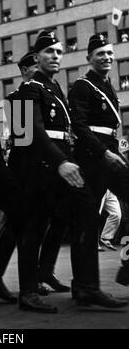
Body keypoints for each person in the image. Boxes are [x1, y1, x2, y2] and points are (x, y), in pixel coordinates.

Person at [13, 30, 127, 309]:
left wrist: (68, 160)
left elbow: (66, 132)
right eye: (49, 51)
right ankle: (28, 292)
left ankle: (87, 287)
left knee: (86, 216)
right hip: (42, 169)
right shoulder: (30, 88)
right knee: (33, 229)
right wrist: (61, 162)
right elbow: (33, 132)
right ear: (37, 56)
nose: (55, 56)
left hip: (64, 166)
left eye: (59, 52)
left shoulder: (55, 89)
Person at [0, 50, 69, 296]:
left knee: (55, 219)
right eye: (33, 68)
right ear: (24, 71)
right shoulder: (18, 96)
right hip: (28, 167)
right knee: (22, 224)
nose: (39, 72)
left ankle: (40, 272)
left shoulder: (53, 91)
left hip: (49, 165)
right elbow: (26, 137)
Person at [68, 34, 129, 287]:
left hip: (111, 155)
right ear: (89, 58)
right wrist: (103, 153)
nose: (107, 57)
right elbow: (79, 126)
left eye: (109, 53)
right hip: (92, 158)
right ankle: (85, 286)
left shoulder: (108, 85)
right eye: (100, 54)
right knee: (86, 222)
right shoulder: (82, 86)